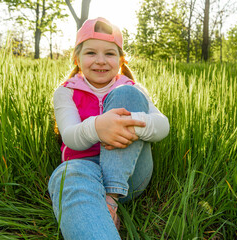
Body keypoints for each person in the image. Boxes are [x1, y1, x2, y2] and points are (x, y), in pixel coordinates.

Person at [48, 17, 170, 239]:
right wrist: (98, 127)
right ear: (77, 58)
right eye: (91, 53)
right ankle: (98, 213)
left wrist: (130, 125)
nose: (100, 61)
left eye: (110, 53)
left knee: (127, 96)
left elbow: (163, 126)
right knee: (67, 177)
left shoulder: (132, 88)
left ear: (121, 60)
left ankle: (111, 198)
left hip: (131, 175)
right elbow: (70, 136)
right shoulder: (66, 92)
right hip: (84, 169)